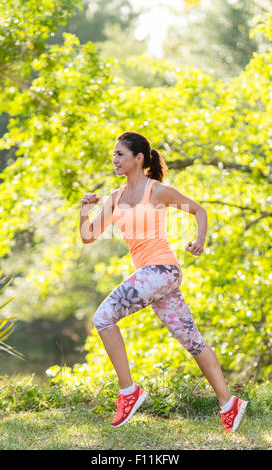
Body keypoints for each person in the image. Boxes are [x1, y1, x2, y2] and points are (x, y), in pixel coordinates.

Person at [79, 131, 248, 432]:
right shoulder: (115, 199)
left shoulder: (154, 191)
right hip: (156, 280)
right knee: (192, 341)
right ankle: (229, 404)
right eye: (114, 154)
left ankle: (129, 392)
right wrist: (84, 209)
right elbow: (88, 236)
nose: (114, 159)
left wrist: (199, 239)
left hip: (161, 270)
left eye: (120, 154)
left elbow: (198, 210)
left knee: (103, 317)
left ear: (138, 158)